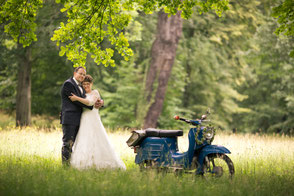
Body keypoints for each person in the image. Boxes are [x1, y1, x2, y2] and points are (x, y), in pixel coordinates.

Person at [68, 75, 126, 170]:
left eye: (88, 84)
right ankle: (83, 162)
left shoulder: (95, 92)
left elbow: (90, 102)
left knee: (99, 139)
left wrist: (77, 98)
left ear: (91, 84)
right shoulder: (81, 93)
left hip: (94, 119)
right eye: (84, 84)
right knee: (84, 138)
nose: (86, 86)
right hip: (84, 119)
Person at [60, 67, 103, 166]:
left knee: (77, 143)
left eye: (84, 75)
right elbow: (79, 101)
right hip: (70, 118)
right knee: (68, 143)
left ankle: (74, 164)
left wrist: (100, 101)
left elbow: (90, 95)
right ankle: (65, 166)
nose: (82, 76)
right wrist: (92, 104)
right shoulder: (69, 84)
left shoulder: (81, 87)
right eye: (80, 73)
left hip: (80, 119)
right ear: (75, 73)